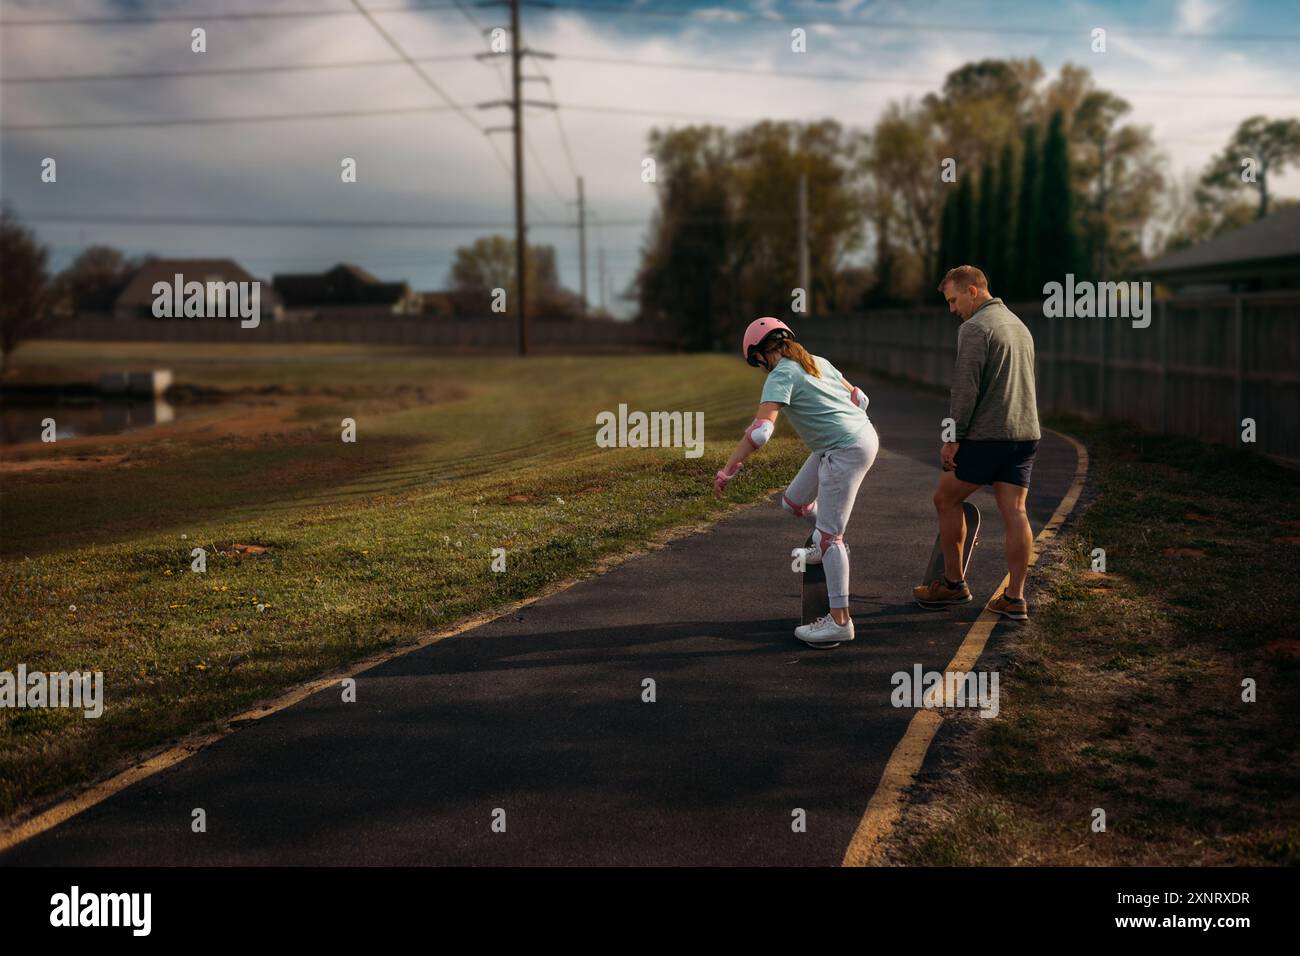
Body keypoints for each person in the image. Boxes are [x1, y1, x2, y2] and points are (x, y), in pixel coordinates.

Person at [714, 317, 879, 647]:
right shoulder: (817, 361)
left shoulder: (780, 375)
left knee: (832, 538)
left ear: (759, 354)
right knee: (794, 502)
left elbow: (761, 433)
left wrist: (728, 470)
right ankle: (824, 540)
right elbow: (860, 398)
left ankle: (839, 621)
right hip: (856, 437)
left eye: (755, 362)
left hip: (842, 449)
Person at [914, 265, 1040, 621]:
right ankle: (1014, 598)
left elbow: (965, 390)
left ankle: (953, 584)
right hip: (1026, 433)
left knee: (945, 498)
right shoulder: (1019, 325)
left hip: (988, 435)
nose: (952, 309)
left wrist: (951, 438)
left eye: (954, 300)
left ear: (973, 290)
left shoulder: (975, 328)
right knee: (1015, 511)